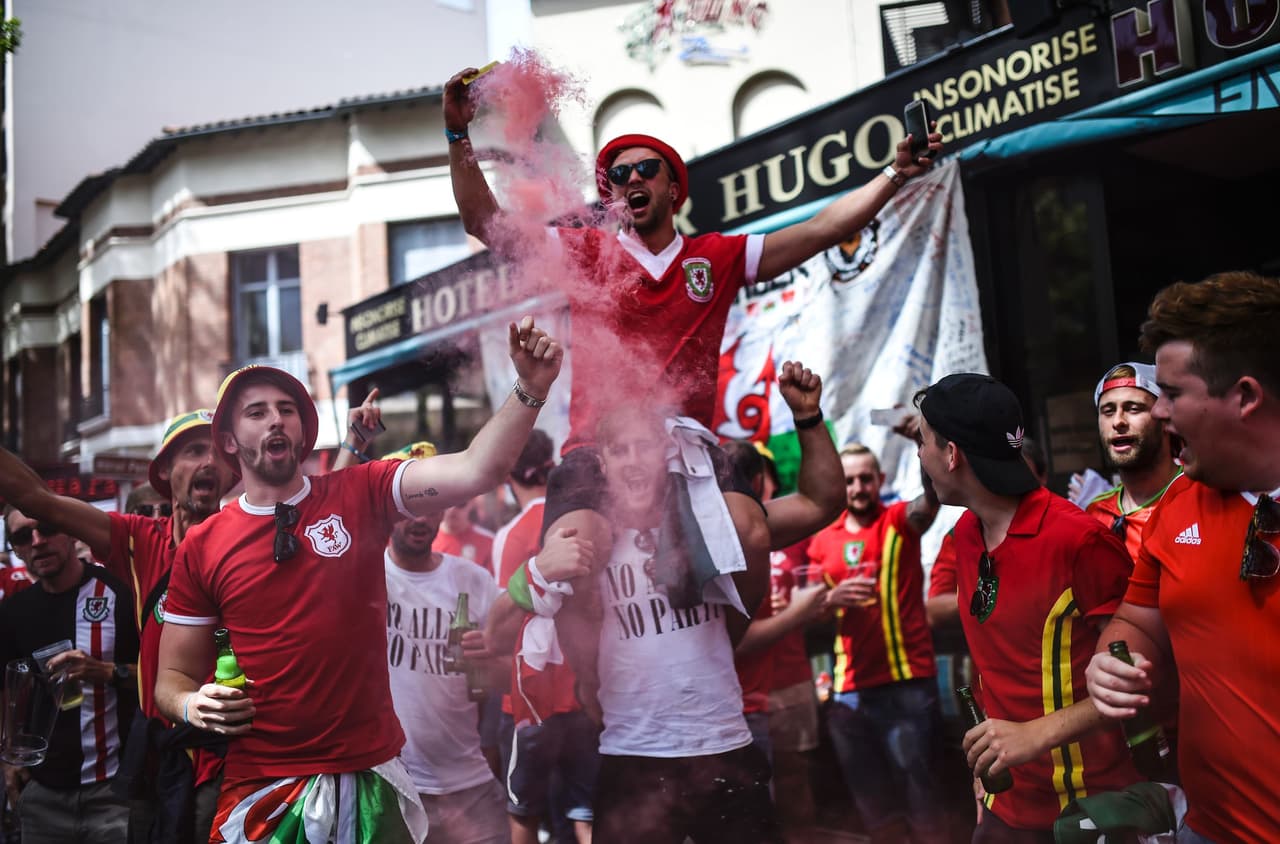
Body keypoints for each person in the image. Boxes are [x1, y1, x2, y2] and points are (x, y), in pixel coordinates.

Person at [444, 67, 939, 710]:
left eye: (645, 169)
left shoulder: (715, 256)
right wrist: (458, 134)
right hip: (596, 448)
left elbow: (820, 229)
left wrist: (895, 174)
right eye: (616, 175)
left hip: (686, 451)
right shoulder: (587, 252)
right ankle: (592, 682)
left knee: (750, 534)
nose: (629, 180)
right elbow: (486, 223)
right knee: (575, 554)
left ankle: (723, 650)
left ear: (673, 187)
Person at [154, 317, 561, 844]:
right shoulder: (204, 544)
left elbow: (475, 470)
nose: (276, 420)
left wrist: (530, 388)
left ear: (302, 430)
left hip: (371, 785)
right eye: (257, 412)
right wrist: (192, 704)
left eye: (287, 410)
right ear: (229, 441)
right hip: (263, 792)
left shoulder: (362, 490)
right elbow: (171, 678)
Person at [1085, 271, 1280, 844]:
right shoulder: (1178, 504)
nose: (1159, 414)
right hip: (1205, 827)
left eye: (1172, 394)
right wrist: (1112, 662)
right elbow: (1137, 620)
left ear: (1244, 396)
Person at [913, 374, 1139, 843]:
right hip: (1003, 807)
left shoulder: (1079, 542)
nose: (919, 455)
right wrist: (984, 770)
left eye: (922, 441)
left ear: (951, 455)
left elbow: (1137, 679)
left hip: (1088, 811)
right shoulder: (965, 535)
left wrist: (1035, 735)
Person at [0, 410, 240, 843]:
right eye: (194, 450)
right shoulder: (139, 539)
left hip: (222, 760)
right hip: (152, 763)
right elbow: (38, 501)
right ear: (164, 470)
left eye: (220, 453)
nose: (209, 461)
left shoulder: (246, 540)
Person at [805, 442, 945, 843]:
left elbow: (932, 498)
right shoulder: (822, 540)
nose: (858, 488)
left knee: (922, 801)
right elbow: (811, 612)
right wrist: (830, 600)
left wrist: (924, 446)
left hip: (906, 684)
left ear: (880, 480)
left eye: (866, 478)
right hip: (849, 692)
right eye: (849, 480)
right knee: (873, 806)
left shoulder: (899, 520)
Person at [382, 459, 510, 844]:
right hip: (394, 788)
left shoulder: (472, 580)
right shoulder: (368, 577)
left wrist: (488, 657)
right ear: (389, 512)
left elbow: (510, 677)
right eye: (410, 509)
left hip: (470, 788)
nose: (421, 520)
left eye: (432, 508)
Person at [0, 505, 140, 844]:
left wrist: (105, 671)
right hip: (41, 792)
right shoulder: (13, 612)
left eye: (47, 528)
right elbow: (5, 693)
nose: (37, 541)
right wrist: (9, 761)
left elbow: (160, 678)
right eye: (23, 536)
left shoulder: (119, 594)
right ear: (16, 548)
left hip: (113, 791)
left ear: (71, 531)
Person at [1081, 363, 1181, 561]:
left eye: (1133, 409)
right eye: (1108, 411)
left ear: (1165, 418)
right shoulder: (1095, 512)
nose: (1118, 421)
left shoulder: (1199, 496)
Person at [436, 499, 496, 571]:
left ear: (472, 503)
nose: (452, 509)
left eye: (460, 504)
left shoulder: (489, 542)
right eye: (447, 504)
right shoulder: (427, 538)